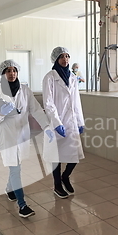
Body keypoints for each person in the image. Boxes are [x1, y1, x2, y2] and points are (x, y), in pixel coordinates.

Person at [0, 59, 53, 218]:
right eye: (8, 71)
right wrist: (2, 112)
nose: (12, 74)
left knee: (16, 165)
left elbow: (36, 110)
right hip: (7, 135)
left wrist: (47, 127)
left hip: (22, 134)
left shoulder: (25, 90)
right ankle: (22, 205)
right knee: (15, 168)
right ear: (3, 74)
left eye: (14, 70)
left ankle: (10, 190)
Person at [42, 47, 85, 199]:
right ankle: (57, 185)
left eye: (67, 56)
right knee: (56, 156)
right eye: (62, 57)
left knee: (75, 155)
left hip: (71, 121)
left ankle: (65, 177)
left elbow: (76, 102)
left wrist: (80, 121)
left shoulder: (72, 77)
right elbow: (48, 103)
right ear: (55, 59)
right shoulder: (50, 77)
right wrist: (56, 122)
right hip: (56, 123)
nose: (65, 59)